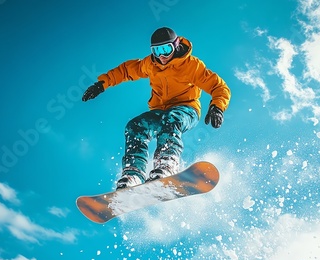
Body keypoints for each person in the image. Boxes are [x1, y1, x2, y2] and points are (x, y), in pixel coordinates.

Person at [82, 27, 231, 189]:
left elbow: (218, 86)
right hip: (159, 111)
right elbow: (125, 70)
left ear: (176, 46)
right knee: (134, 126)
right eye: (157, 50)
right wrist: (102, 84)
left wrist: (217, 107)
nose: (162, 56)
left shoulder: (191, 66)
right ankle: (133, 174)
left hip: (187, 109)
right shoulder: (150, 64)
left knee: (171, 119)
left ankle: (167, 164)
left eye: (166, 49)